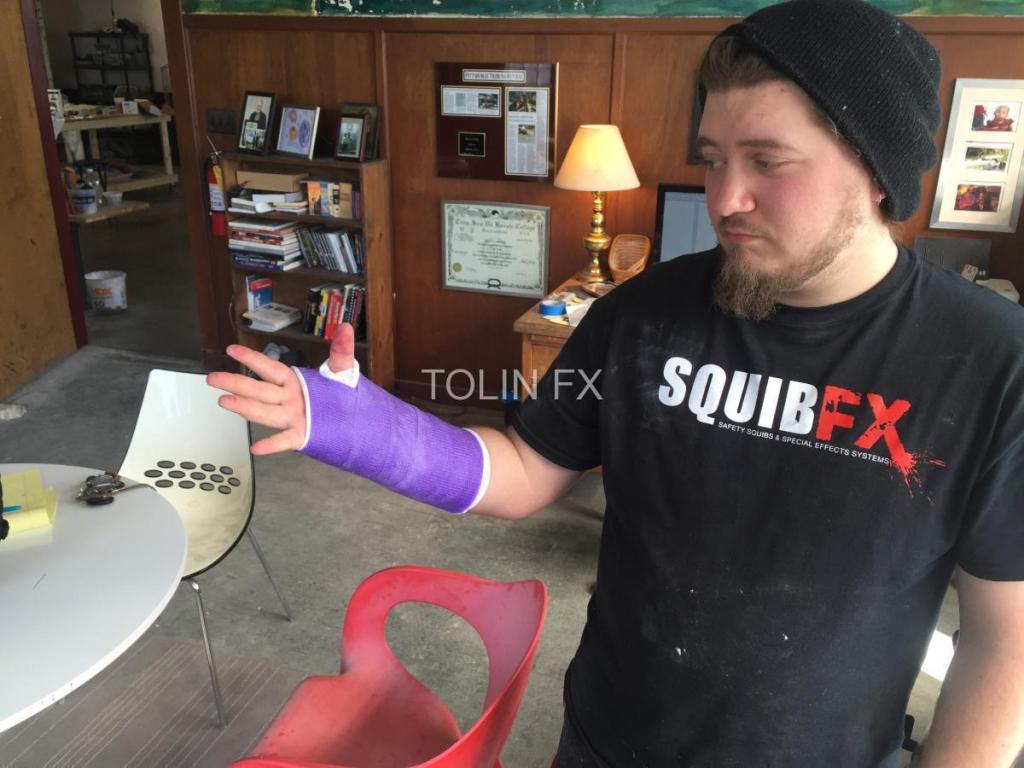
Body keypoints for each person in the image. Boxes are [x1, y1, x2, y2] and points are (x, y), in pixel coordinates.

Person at [208, 0, 1024, 765]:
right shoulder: (643, 313)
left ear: (877, 171)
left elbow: (1005, 640)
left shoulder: (994, 363)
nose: (726, 198)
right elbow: (526, 470)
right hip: (608, 738)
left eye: (768, 161)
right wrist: (362, 428)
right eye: (712, 159)